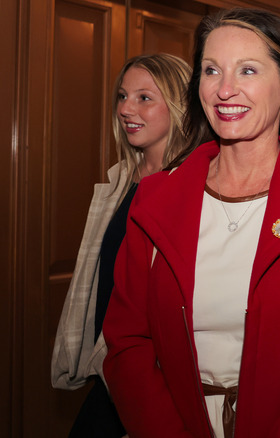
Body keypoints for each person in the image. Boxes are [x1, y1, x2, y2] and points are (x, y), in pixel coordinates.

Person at [102, 9, 280, 438]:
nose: (224, 89)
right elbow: (126, 342)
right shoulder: (155, 198)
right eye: (211, 70)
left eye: (247, 70)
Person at [50, 53, 191, 437]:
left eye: (144, 98)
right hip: (107, 363)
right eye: (123, 96)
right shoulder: (121, 180)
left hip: (154, 374)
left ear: (178, 105)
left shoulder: (190, 187)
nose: (126, 109)